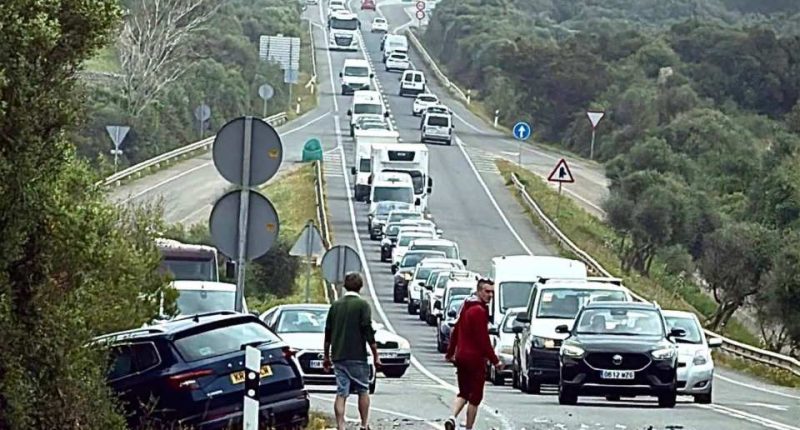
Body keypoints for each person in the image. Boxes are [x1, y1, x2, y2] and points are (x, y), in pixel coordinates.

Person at [323, 272, 381, 430]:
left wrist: (326, 356)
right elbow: (367, 331)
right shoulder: (363, 306)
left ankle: (341, 425)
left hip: (339, 355)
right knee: (363, 389)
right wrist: (376, 355)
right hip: (357, 356)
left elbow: (328, 332)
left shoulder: (335, 306)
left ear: (344, 286)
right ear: (360, 287)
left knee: (341, 392)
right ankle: (364, 424)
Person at [444, 277, 502, 430]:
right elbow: (483, 340)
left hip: (461, 357)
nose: (489, 295)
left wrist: (451, 352)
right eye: (486, 291)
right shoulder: (480, 311)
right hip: (475, 359)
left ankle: (452, 416)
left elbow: (456, 330)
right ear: (479, 291)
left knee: (463, 392)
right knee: (475, 397)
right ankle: (469, 427)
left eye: (492, 292)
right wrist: (495, 361)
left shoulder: (466, 307)